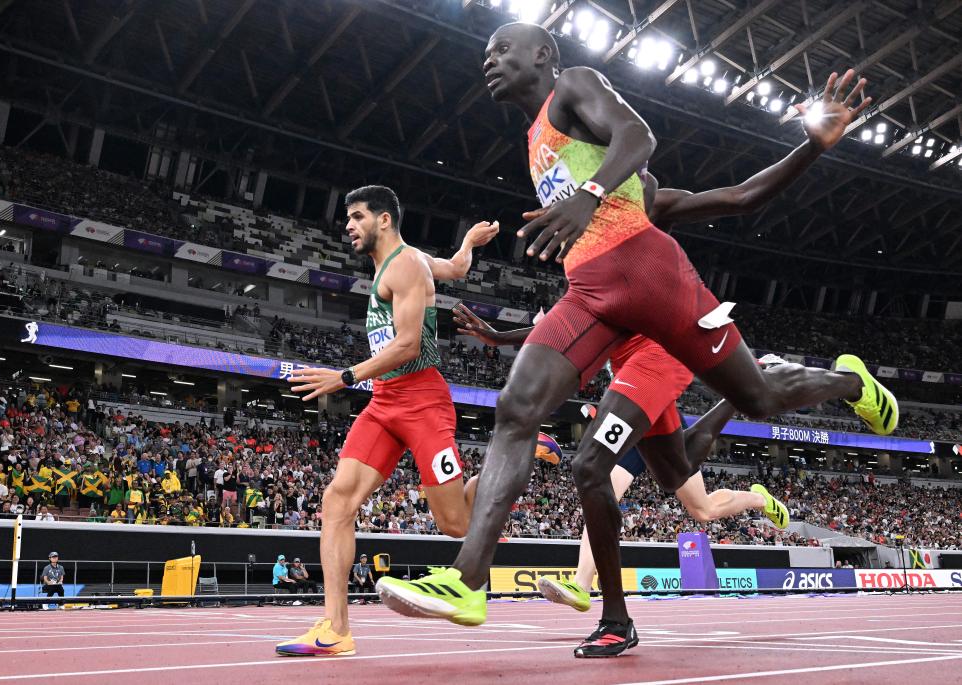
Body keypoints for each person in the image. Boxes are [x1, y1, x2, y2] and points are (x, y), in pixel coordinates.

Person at [376, 23, 896, 658]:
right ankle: (470, 579)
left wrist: (811, 147)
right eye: (486, 54)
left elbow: (668, 153)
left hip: (650, 278)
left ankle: (848, 381)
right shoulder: (536, 138)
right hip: (593, 293)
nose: (489, 61)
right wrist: (505, 331)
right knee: (519, 408)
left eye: (502, 50)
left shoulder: (576, 86)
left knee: (758, 400)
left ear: (542, 55)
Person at [275, 185, 498, 658]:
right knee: (337, 500)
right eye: (347, 218)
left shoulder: (407, 264)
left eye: (357, 216)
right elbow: (456, 269)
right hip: (384, 402)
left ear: (384, 219)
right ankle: (336, 629)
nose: (348, 226)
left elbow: (408, 345)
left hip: (423, 402)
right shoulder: (404, 262)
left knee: (456, 524)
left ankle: (512, 459)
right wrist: (468, 244)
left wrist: (344, 376)